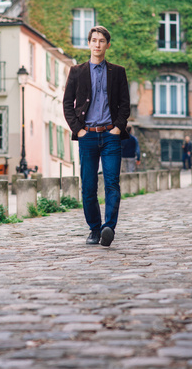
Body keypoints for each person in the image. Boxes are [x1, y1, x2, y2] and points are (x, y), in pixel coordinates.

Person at [63, 25, 130, 247]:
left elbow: (124, 104)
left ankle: (108, 227)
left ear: (107, 45)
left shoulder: (118, 72)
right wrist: (78, 130)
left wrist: (118, 128)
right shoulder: (77, 71)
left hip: (111, 135)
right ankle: (94, 229)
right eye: (94, 40)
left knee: (112, 183)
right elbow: (67, 104)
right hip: (88, 136)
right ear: (89, 43)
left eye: (102, 41)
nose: (98, 44)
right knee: (89, 186)